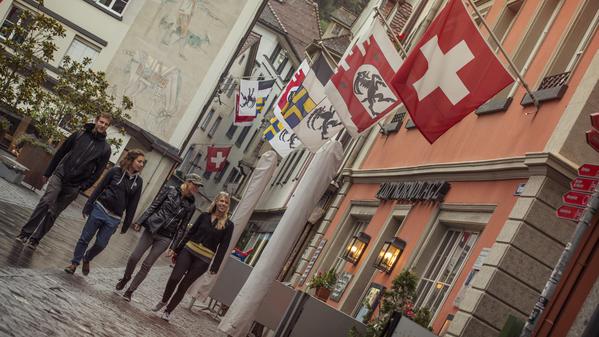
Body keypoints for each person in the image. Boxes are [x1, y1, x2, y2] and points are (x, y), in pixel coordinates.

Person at [16, 113, 112, 250]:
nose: (102, 125)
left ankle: (35, 239)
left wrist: (82, 187)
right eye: (101, 122)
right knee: (46, 201)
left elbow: (98, 172)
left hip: (74, 186)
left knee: (53, 212)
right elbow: (61, 152)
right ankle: (25, 233)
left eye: (106, 124)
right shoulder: (79, 134)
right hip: (60, 175)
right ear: (96, 121)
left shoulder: (105, 149)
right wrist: (48, 172)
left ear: (108, 126)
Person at [115, 173, 202, 302]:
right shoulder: (170, 190)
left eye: (198, 186)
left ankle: (130, 290)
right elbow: (154, 206)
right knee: (134, 257)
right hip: (152, 228)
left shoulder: (191, 205)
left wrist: (174, 247)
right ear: (188, 182)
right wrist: (140, 221)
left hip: (166, 237)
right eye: (195, 184)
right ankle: (126, 277)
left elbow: (183, 227)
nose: (197, 188)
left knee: (147, 265)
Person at [152, 191, 233, 321]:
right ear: (216, 202)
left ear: (228, 206)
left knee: (183, 286)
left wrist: (215, 266)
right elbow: (190, 233)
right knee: (174, 278)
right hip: (188, 251)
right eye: (221, 201)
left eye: (226, 202)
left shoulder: (228, 225)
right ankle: (164, 300)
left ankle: (168, 311)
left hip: (203, 260)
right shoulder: (204, 216)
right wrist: (177, 249)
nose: (223, 204)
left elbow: (223, 247)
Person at [64, 149, 145, 275]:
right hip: (100, 208)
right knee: (85, 238)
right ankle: (74, 263)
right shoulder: (115, 171)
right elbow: (100, 188)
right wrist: (88, 205)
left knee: (101, 244)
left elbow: (133, 205)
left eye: (143, 163)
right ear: (131, 160)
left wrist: (127, 223)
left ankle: (87, 258)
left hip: (114, 218)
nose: (141, 165)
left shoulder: (138, 182)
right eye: (139, 161)